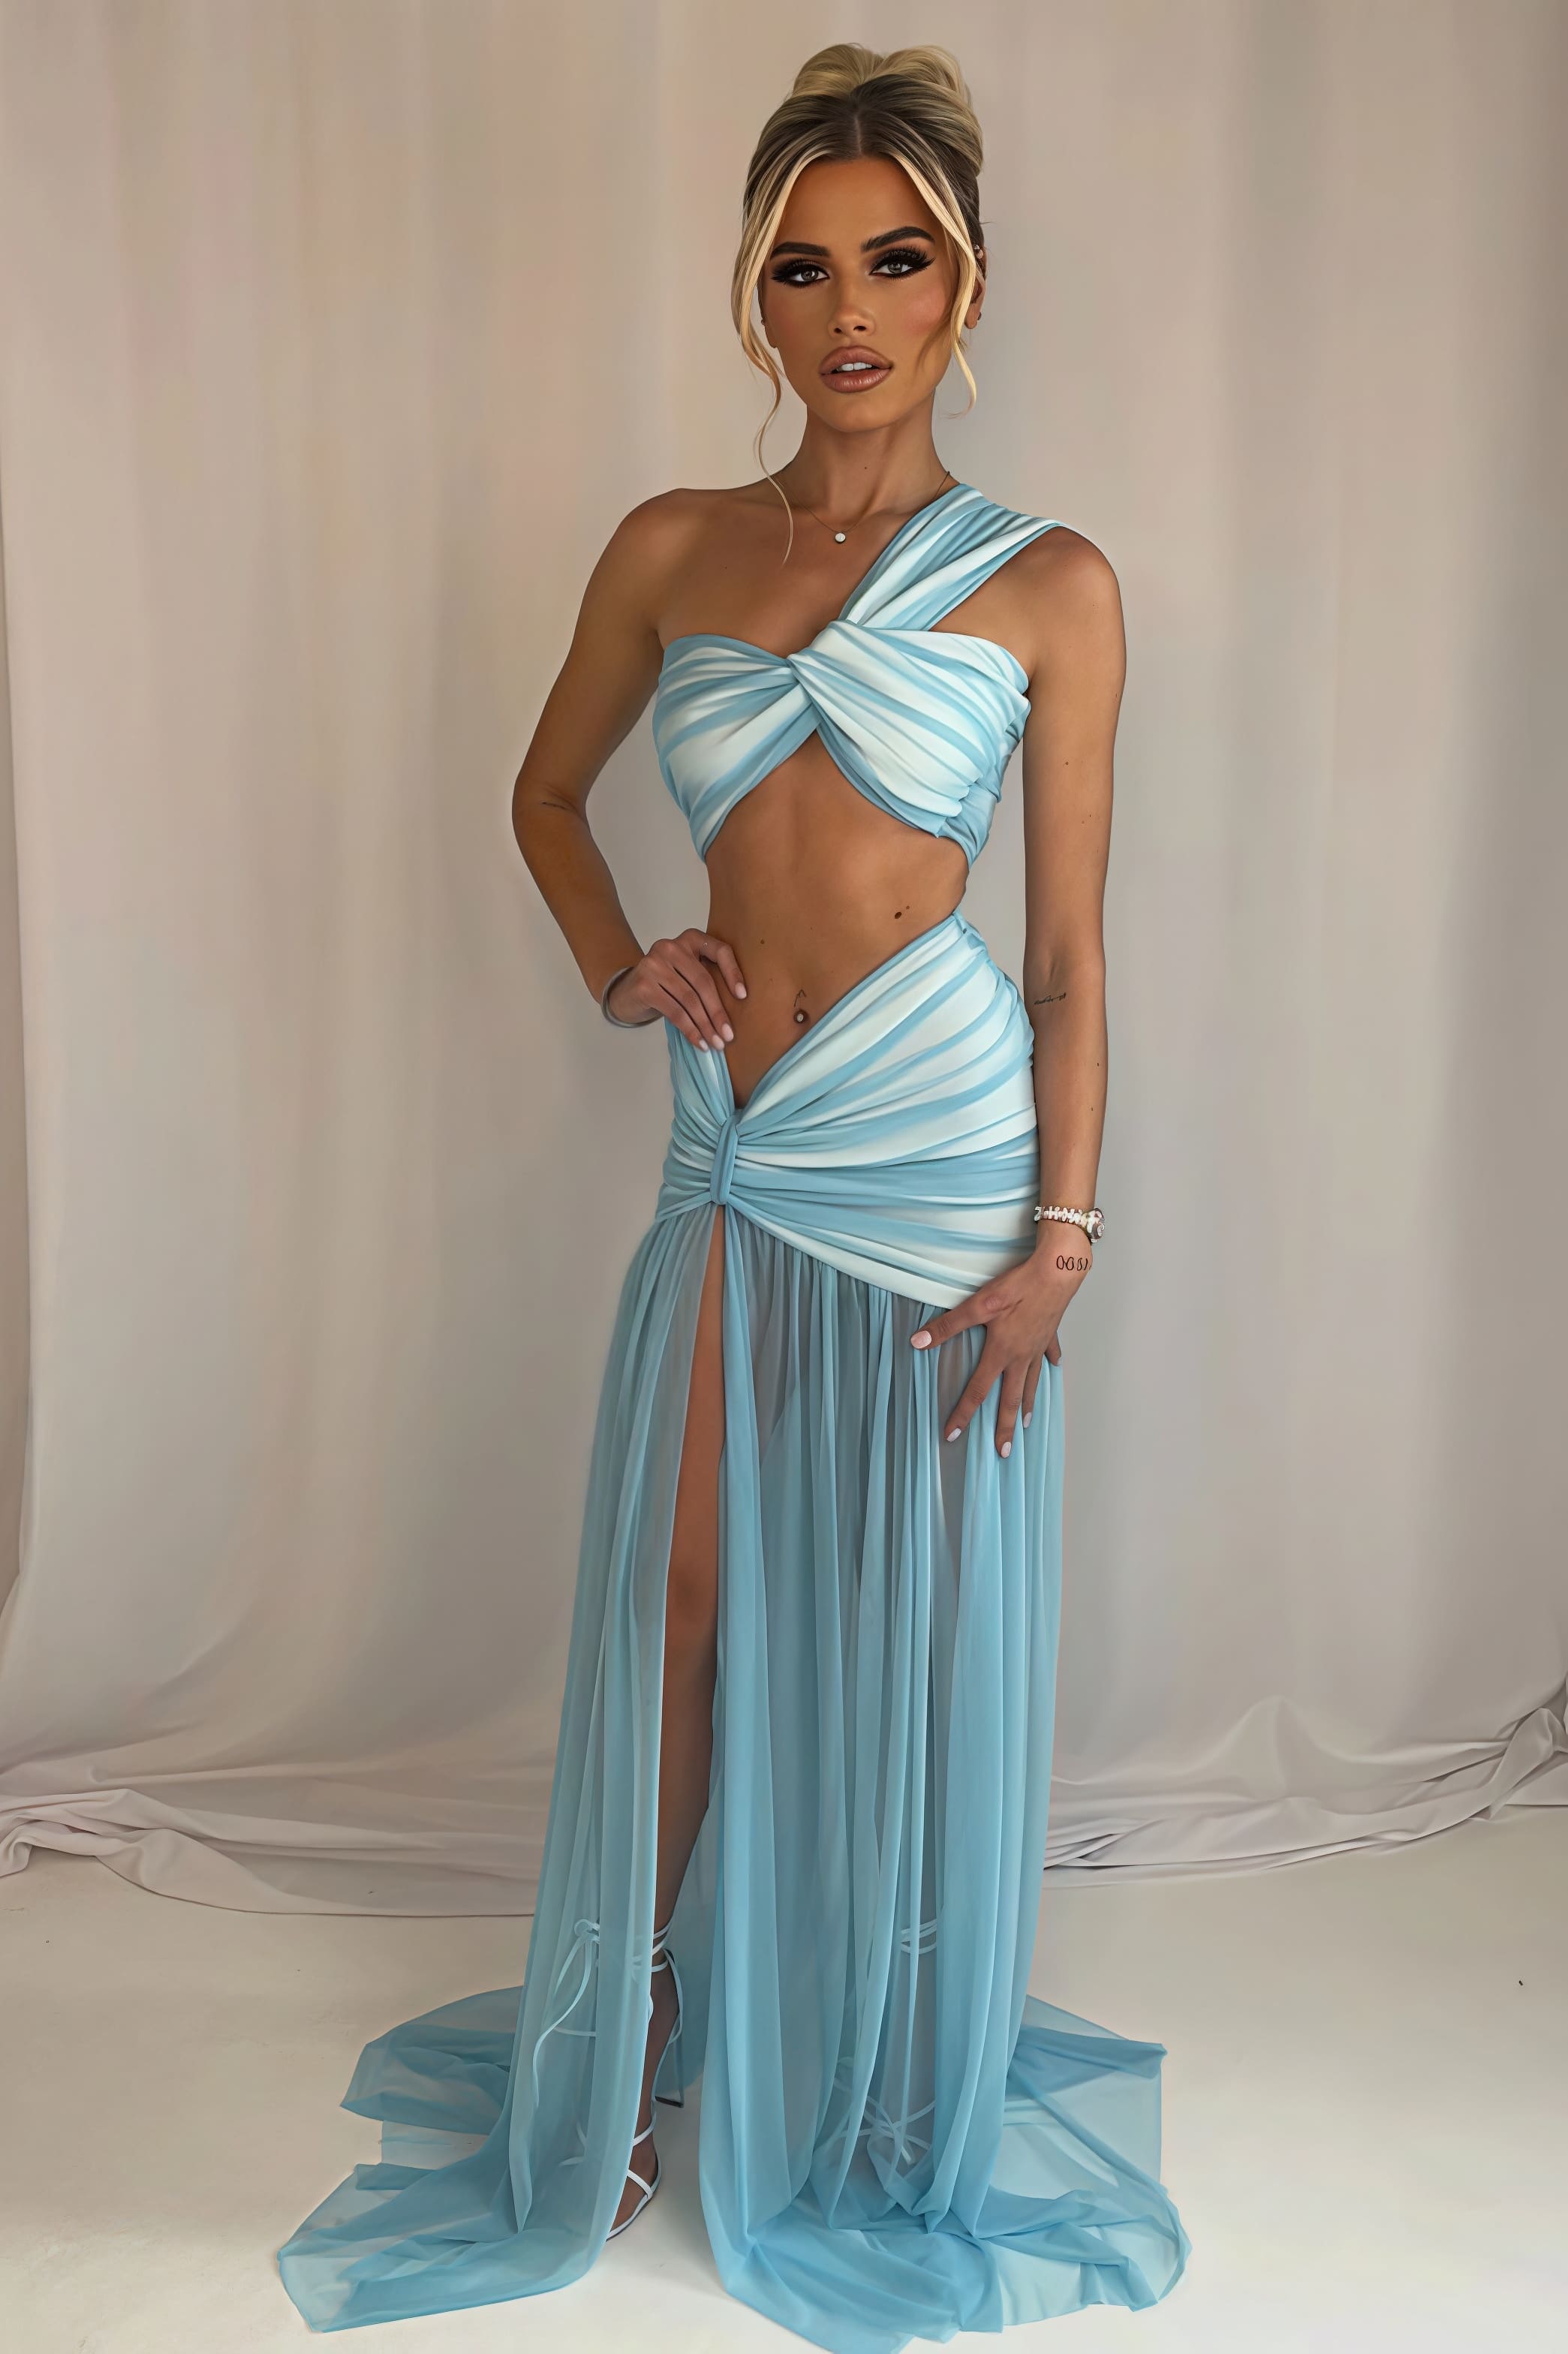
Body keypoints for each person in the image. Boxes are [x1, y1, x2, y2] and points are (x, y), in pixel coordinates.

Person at [277, 42, 1190, 2352]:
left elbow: (1067, 958)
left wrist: (1060, 1243)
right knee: (679, 1600)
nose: (847, 312)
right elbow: (544, 792)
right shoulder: (671, 544)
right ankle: (636, 2043)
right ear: (753, 294)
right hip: (739, 1135)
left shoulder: (1050, 583)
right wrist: (620, 959)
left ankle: (861, 2056)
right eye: (801, 268)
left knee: (894, 1616)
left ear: (962, 286)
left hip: (937, 1144)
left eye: (894, 262)